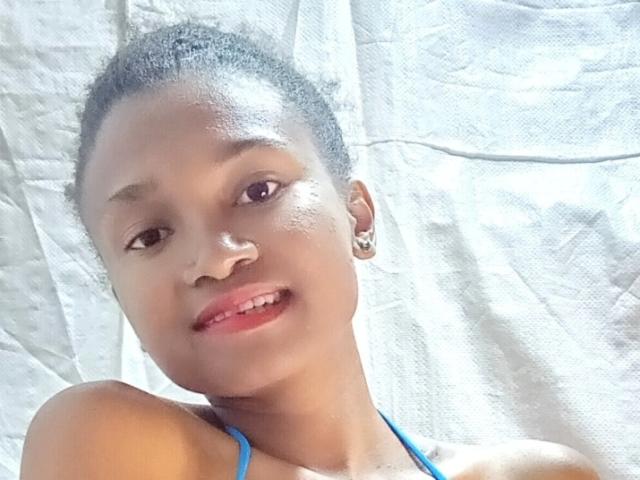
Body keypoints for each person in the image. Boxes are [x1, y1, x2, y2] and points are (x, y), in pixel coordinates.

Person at [20, 22, 600, 480]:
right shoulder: (107, 445)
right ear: (122, 298)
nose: (215, 258)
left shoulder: (543, 475)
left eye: (258, 191)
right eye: (149, 236)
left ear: (357, 216)